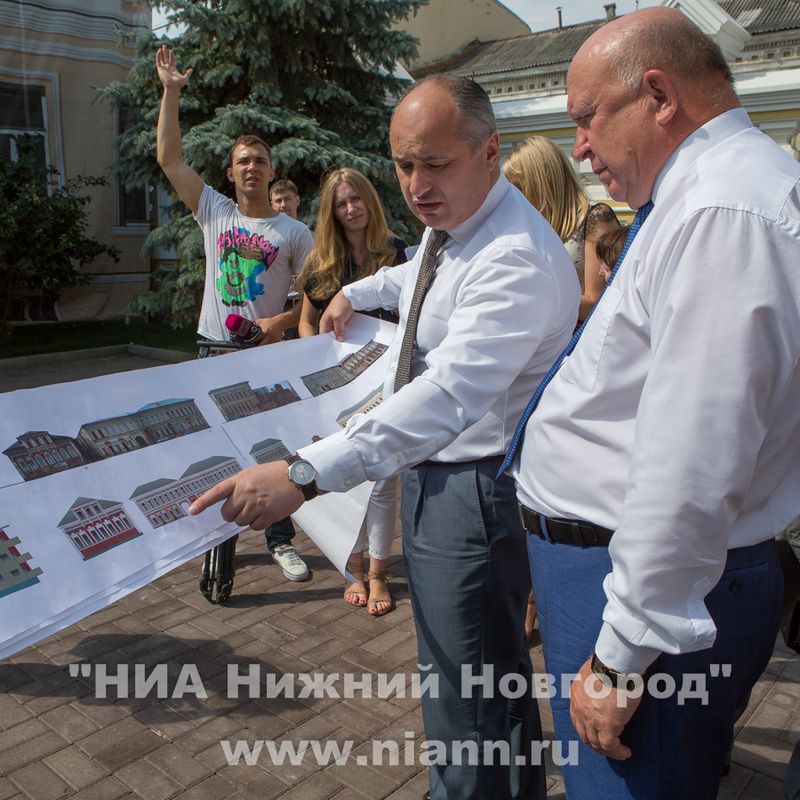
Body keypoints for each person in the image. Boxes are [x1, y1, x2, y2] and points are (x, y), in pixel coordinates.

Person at [190, 73, 580, 799]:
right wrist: (355, 290)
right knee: (479, 681)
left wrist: (304, 473)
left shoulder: (512, 256)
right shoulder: (459, 220)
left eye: (435, 163)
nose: (416, 185)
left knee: (466, 693)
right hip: (446, 478)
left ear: (489, 151)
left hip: (473, 488)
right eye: (403, 164)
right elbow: (416, 280)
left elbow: (448, 395)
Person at [506, 8, 800, 799]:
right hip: (632, 578)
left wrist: (621, 655)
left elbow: (694, 461)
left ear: (660, 96)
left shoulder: (723, 212)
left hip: (642, 596)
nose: (579, 147)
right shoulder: (710, 194)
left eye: (587, 118)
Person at [155, 45, 313, 582]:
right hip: (212, 351)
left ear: (272, 173)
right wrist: (171, 93)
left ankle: (279, 541)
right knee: (212, 453)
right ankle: (215, 547)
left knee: (270, 450)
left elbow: (316, 297)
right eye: (243, 161)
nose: (251, 167)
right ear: (230, 172)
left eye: (260, 161)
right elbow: (169, 160)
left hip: (264, 357)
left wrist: (279, 324)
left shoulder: (294, 232)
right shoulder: (214, 212)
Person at [296, 166, 407, 615]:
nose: (350, 208)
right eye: (341, 203)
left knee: (382, 482)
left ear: (369, 200)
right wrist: (315, 360)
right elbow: (306, 320)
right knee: (344, 478)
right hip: (334, 389)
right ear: (331, 211)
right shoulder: (321, 261)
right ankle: (353, 568)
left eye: (356, 199)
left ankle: (378, 573)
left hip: (384, 386)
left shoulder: (396, 252)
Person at [504, 135, 620, 322]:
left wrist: (528, 297)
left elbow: (597, 303)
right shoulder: (532, 228)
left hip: (581, 335)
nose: (515, 196)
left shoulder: (595, 218)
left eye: (519, 187)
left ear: (541, 182)